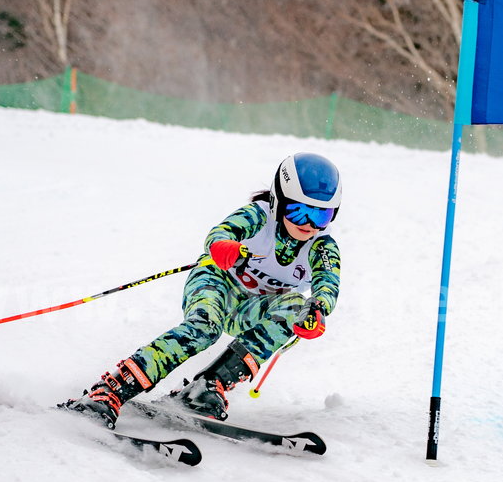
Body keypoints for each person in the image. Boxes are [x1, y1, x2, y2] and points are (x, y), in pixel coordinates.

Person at [63, 151, 342, 425]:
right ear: (277, 203)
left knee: (295, 306)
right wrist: (223, 246)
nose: (308, 224)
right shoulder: (259, 218)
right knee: (205, 328)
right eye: (299, 210)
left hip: (252, 308)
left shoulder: (322, 246)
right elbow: (220, 233)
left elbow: (327, 284)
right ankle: (109, 391)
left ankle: (207, 387)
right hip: (217, 282)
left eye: (321, 216)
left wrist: (317, 310)